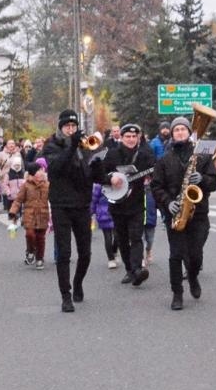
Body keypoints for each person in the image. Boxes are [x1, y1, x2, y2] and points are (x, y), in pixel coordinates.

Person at [151, 115, 216, 311]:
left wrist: (203, 179)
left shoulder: (202, 156)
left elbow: (215, 183)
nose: (180, 132)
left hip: (199, 214)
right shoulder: (164, 159)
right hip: (175, 213)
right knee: (175, 255)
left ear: (189, 132)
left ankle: (192, 275)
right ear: (172, 134)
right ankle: (177, 294)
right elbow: (156, 186)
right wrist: (168, 202)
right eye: (176, 130)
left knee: (195, 255)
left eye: (183, 129)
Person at [45, 109, 99, 313]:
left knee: (85, 253)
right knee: (64, 253)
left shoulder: (84, 147)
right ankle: (65, 296)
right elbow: (56, 168)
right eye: (67, 126)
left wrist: (99, 165)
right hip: (61, 205)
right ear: (61, 128)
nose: (70, 129)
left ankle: (77, 282)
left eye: (73, 126)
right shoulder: (52, 145)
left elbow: (93, 175)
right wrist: (71, 146)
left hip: (82, 205)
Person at [104, 123, 155, 286]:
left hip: (137, 203)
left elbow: (155, 171)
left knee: (136, 236)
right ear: (121, 137)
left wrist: (151, 177)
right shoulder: (112, 154)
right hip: (117, 204)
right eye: (128, 136)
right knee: (122, 239)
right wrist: (110, 179)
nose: (131, 139)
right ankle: (129, 270)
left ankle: (138, 269)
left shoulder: (145, 155)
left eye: (134, 136)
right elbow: (99, 174)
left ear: (138, 138)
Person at [11, 157, 50, 268]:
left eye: (41, 170)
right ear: (33, 174)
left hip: (43, 215)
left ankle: (40, 258)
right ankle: (30, 251)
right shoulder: (26, 185)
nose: (41, 172)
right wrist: (13, 211)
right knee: (30, 235)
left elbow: (54, 199)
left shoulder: (47, 185)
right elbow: (18, 200)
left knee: (40, 238)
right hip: (29, 215)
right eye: (38, 170)